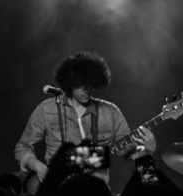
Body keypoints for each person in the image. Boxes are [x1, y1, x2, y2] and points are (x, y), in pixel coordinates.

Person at [15, 51, 156, 188]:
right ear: (70, 82)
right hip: (58, 190)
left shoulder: (110, 111)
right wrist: (38, 167)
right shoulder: (47, 109)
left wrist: (147, 149)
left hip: (95, 191)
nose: (87, 89)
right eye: (81, 84)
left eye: (90, 84)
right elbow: (22, 148)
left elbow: (130, 153)